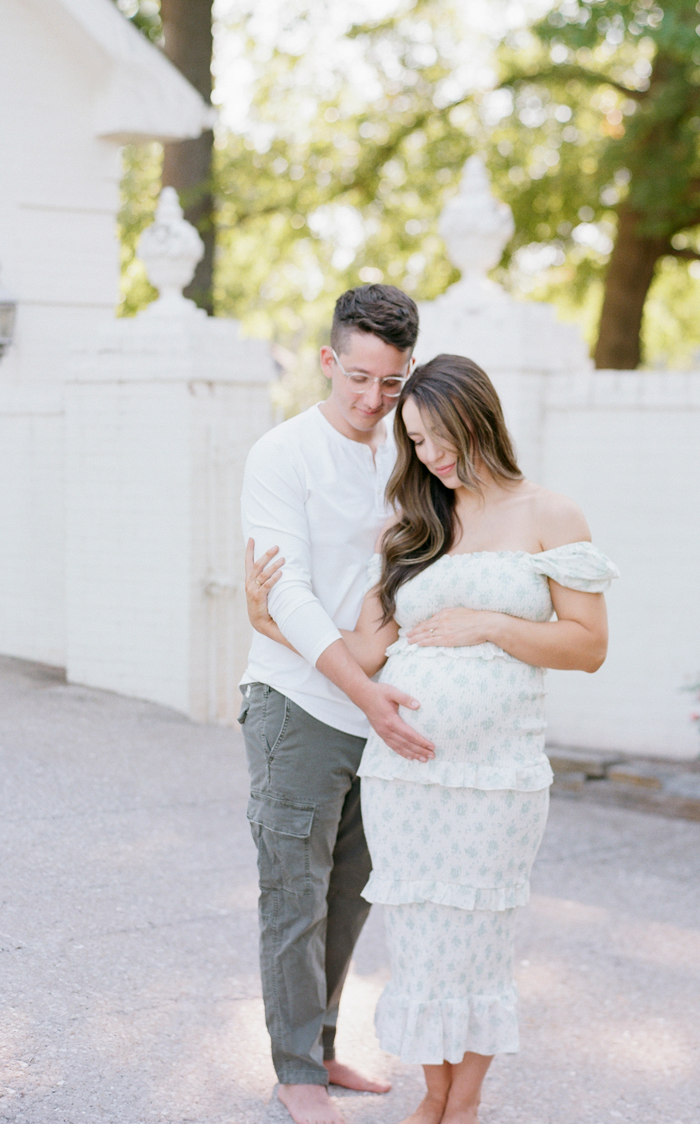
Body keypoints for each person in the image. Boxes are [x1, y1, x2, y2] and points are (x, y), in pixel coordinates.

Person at [247, 353, 619, 1124]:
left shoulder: (551, 513)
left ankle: (466, 1101)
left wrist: (491, 624)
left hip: (497, 776)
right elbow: (366, 649)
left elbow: (587, 645)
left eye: (437, 434)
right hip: (404, 782)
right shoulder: (416, 525)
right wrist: (268, 618)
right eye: (414, 441)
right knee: (419, 945)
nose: (429, 455)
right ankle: (433, 1096)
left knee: (477, 938)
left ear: (478, 413)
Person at [238, 283, 436, 1124]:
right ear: (328, 360)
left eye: (390, 384)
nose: (371, 400)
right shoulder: (281, 454)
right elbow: (289, 597)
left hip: (374, 709)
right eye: (358, 378)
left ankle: (319, 1044)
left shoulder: (407, 454)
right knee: (294, 889)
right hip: (297, 706)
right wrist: (365, 689)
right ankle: (295, 1071)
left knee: (350, 891)